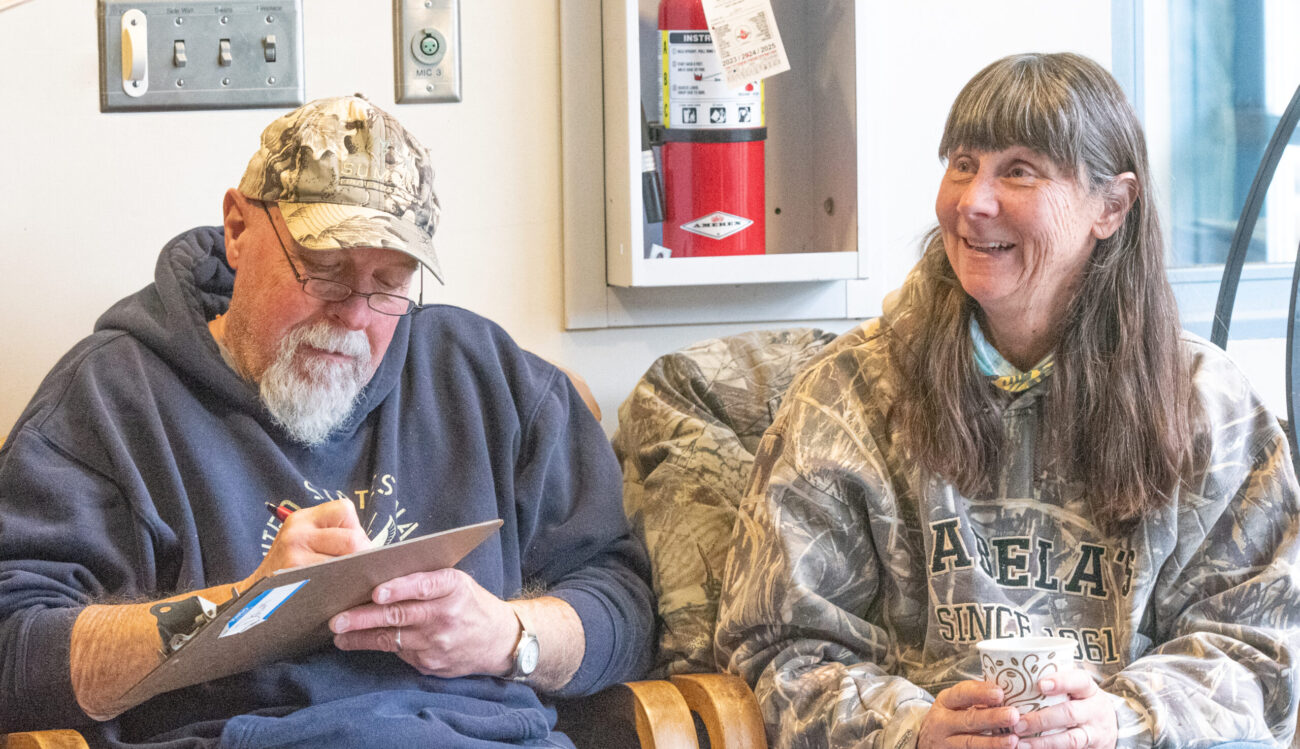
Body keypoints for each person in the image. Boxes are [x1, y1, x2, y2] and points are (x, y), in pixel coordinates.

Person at [0, 95, 653, 748]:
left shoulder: (488, 378)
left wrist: (512, 635)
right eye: (325, 270)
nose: (355, 316)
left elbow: (624, 606)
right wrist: (237, 610)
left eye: (389, 282)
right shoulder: (115, 399)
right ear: (237, 229)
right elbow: (15, 654)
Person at [715, 52, 1300, 749]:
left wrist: (1120, 719)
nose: (972, 202)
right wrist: (913, 727)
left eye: (1018, 170)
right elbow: (772, 648)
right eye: (963, 162)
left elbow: (1266, 651)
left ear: (1111, 207)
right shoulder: (846, 398)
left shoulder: (1212, 407)